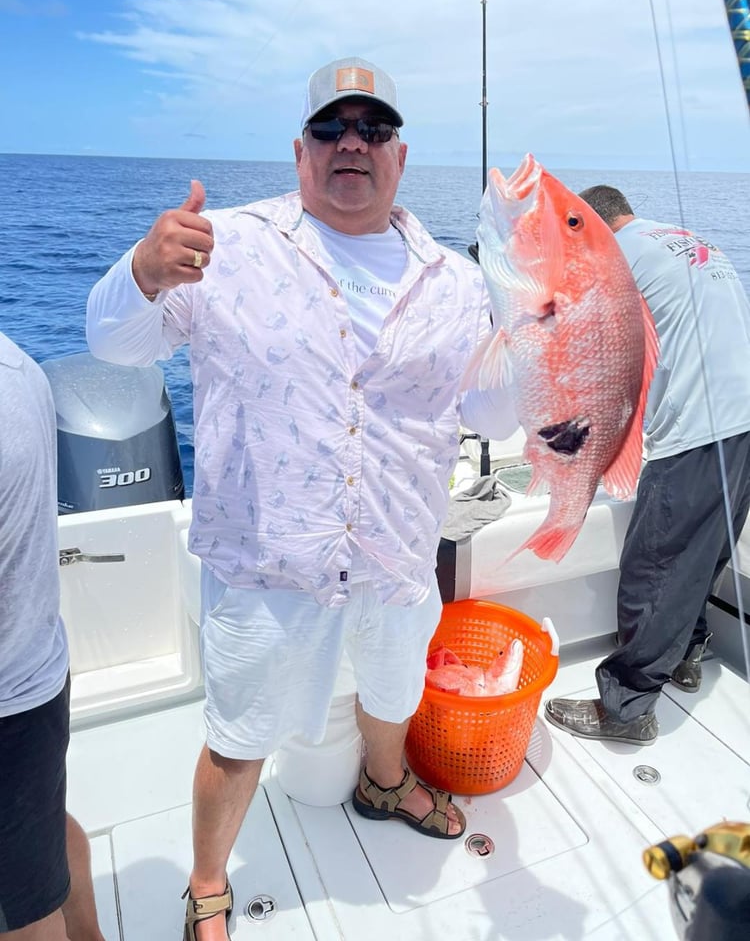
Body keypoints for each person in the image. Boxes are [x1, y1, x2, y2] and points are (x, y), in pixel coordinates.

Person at [86, 57, 511, 941]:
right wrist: (142, 269)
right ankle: (210, 882)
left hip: (398, 549)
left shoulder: (461, 282)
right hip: (267, 560)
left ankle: (383, 783)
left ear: (400, 155)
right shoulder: (224, 244)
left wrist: (547, 335)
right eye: (332, 127)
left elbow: (495, 410)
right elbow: (114, 348)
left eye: (374, 128)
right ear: (301, 150)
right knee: (239, 735)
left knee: (392, 694)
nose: (352, 141)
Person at [544, 185, 750, 745]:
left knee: (654, 567)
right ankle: (687, 651)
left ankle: (627, 709)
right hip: (743, 423)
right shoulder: (687, 240)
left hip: (696, 430)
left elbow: (566, 341)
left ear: (598, 226)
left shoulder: (617, 254)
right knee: (703, 553)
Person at [0, 332, 106, 941]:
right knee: (44, 841)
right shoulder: (18, 368)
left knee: (23, 918)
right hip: (34, 679)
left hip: (11, 709)